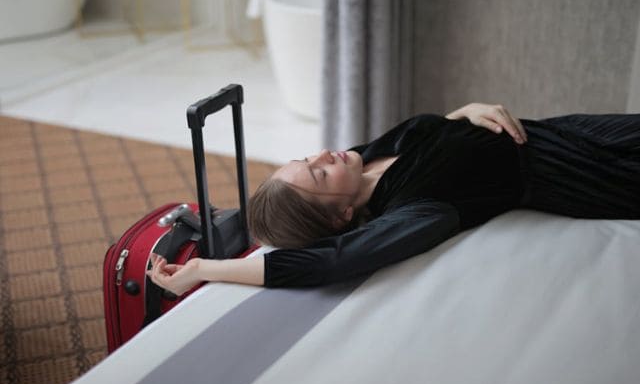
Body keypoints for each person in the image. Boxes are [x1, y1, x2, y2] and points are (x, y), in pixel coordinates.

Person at [147, 103, 640, 293]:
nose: (325, 154)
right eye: (319, 172)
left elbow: (433, 136)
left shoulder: (362, 161)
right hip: (593, 173)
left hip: (572, 131)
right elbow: (328, 262)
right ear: (342, 216)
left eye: (307, 157)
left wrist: (463, 112)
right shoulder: (417, 208)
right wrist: (206, 269)